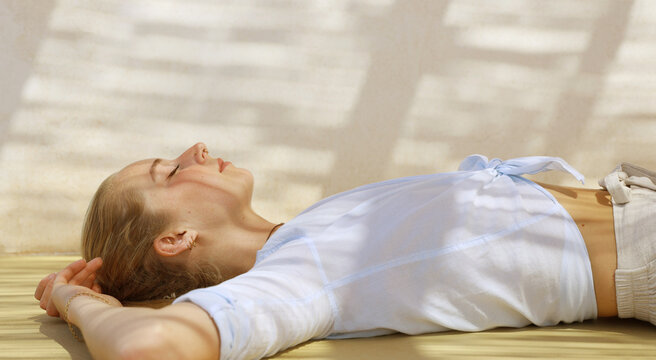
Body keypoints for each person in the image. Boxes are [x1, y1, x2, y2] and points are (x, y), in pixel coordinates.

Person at [34, 143, 655, 360]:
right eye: (169, 172)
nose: (196, 149)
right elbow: (148, 348)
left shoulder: (314, 225)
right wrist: (75, 298)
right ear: (174, 240)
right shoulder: (298, 276)